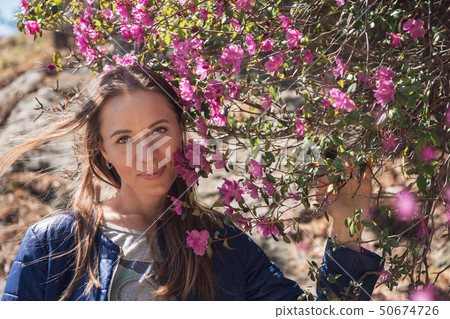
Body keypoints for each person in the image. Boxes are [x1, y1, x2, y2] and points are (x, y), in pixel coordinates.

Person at [0, 65, 383, 301]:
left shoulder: (227, 246)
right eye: (124, 139)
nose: (146, 153)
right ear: (102, 151)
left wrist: (348, 234)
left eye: (159, 130)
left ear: (183, 133)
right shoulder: (52, 244)